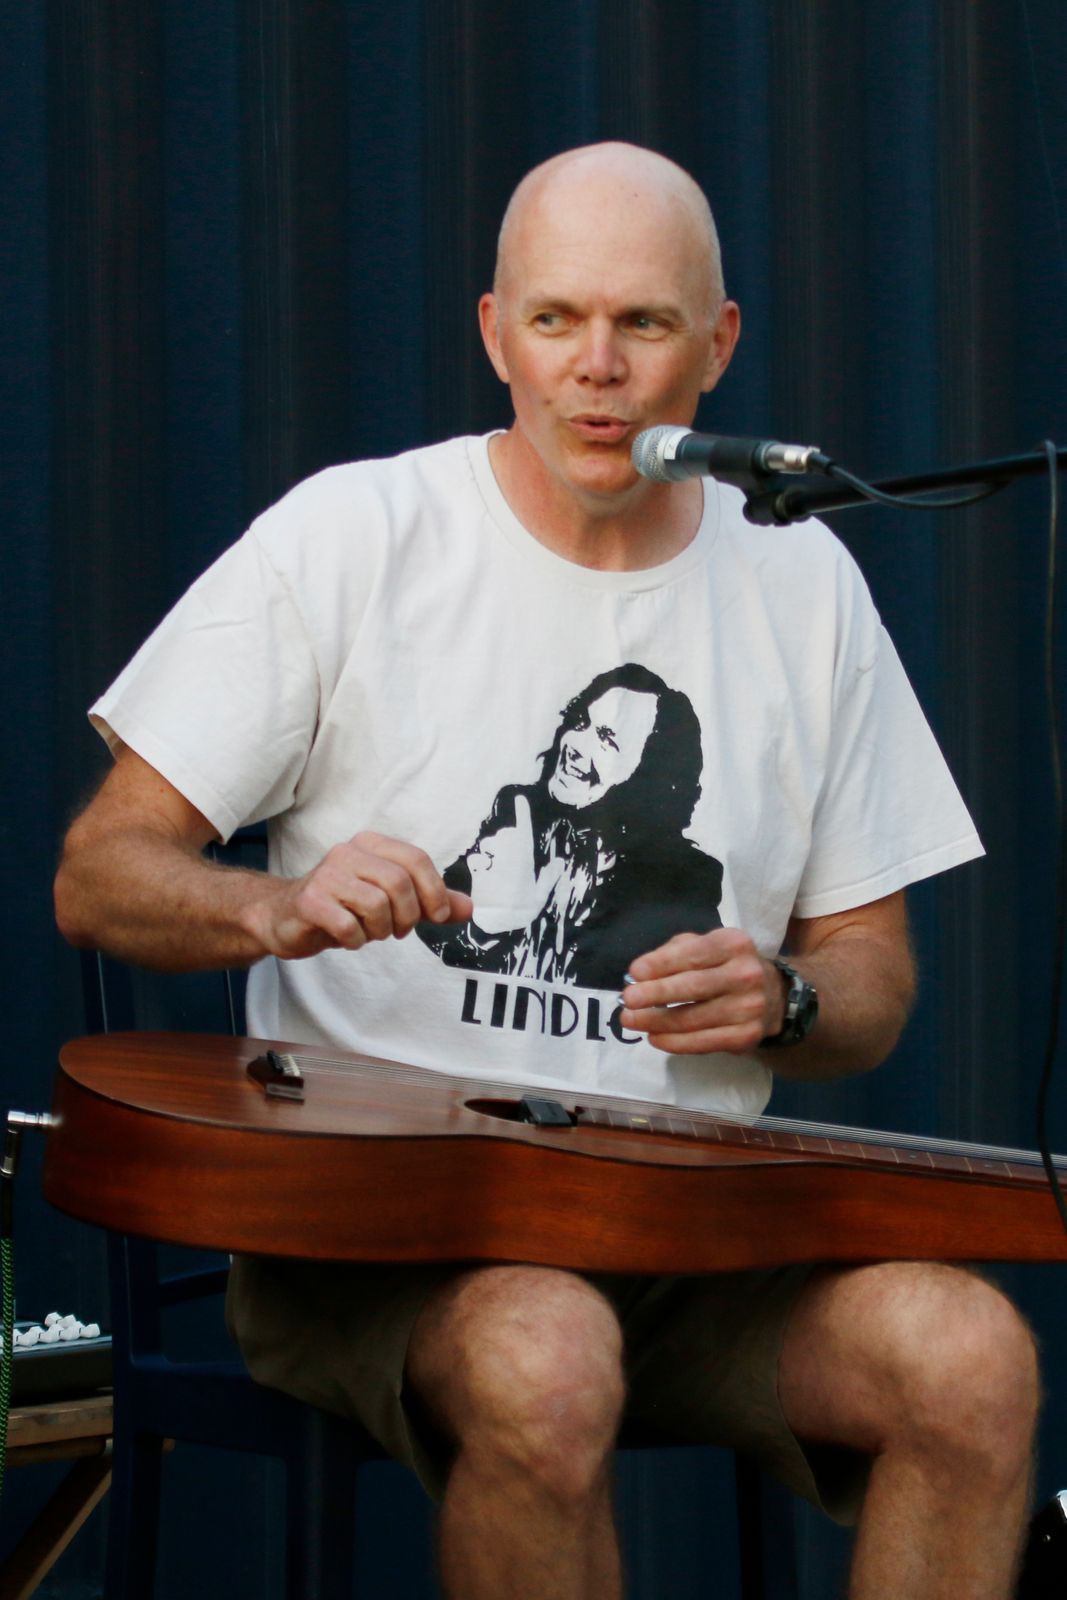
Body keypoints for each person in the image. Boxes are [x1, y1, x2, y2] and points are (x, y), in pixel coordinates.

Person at [54, 142, 1038, 1599]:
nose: (597, 369)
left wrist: (782, 998)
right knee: (547, 1357)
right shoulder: (355, 536)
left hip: (686, 1234)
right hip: (381, 1232)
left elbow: (870, 980)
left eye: (643, 323)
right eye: (555, 319)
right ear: (492, 332)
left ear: (716, 346)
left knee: (968, 1361)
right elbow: (101, 873)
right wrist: (275, 904)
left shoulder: (802, 580)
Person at [417, 661, 724, 988]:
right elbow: (430, 925)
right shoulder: (518, 812)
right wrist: (484, 931)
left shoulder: (686, 876)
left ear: (654, 774)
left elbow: (707, 988)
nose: (576, 745)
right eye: (581, 723)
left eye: (607, 739)